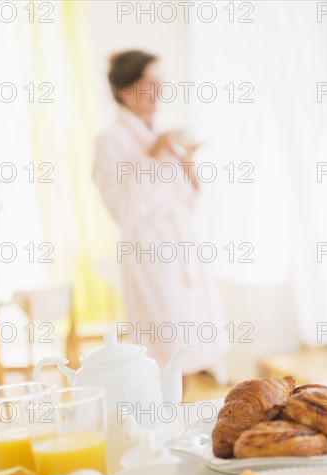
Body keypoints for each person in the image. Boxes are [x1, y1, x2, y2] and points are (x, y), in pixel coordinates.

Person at [92, 50, 228, 384]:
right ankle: (165, 424)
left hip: (182, 245)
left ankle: (185, 423)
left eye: (160, 83)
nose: (159, 91)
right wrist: (151, 158)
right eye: (149, 84)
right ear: (125, 89)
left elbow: (186, 203)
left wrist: (188, 167)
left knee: (193, 346)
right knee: (164, 353)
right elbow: (123, 211)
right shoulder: (109, 141)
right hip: (149, 252)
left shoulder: (164, 134)